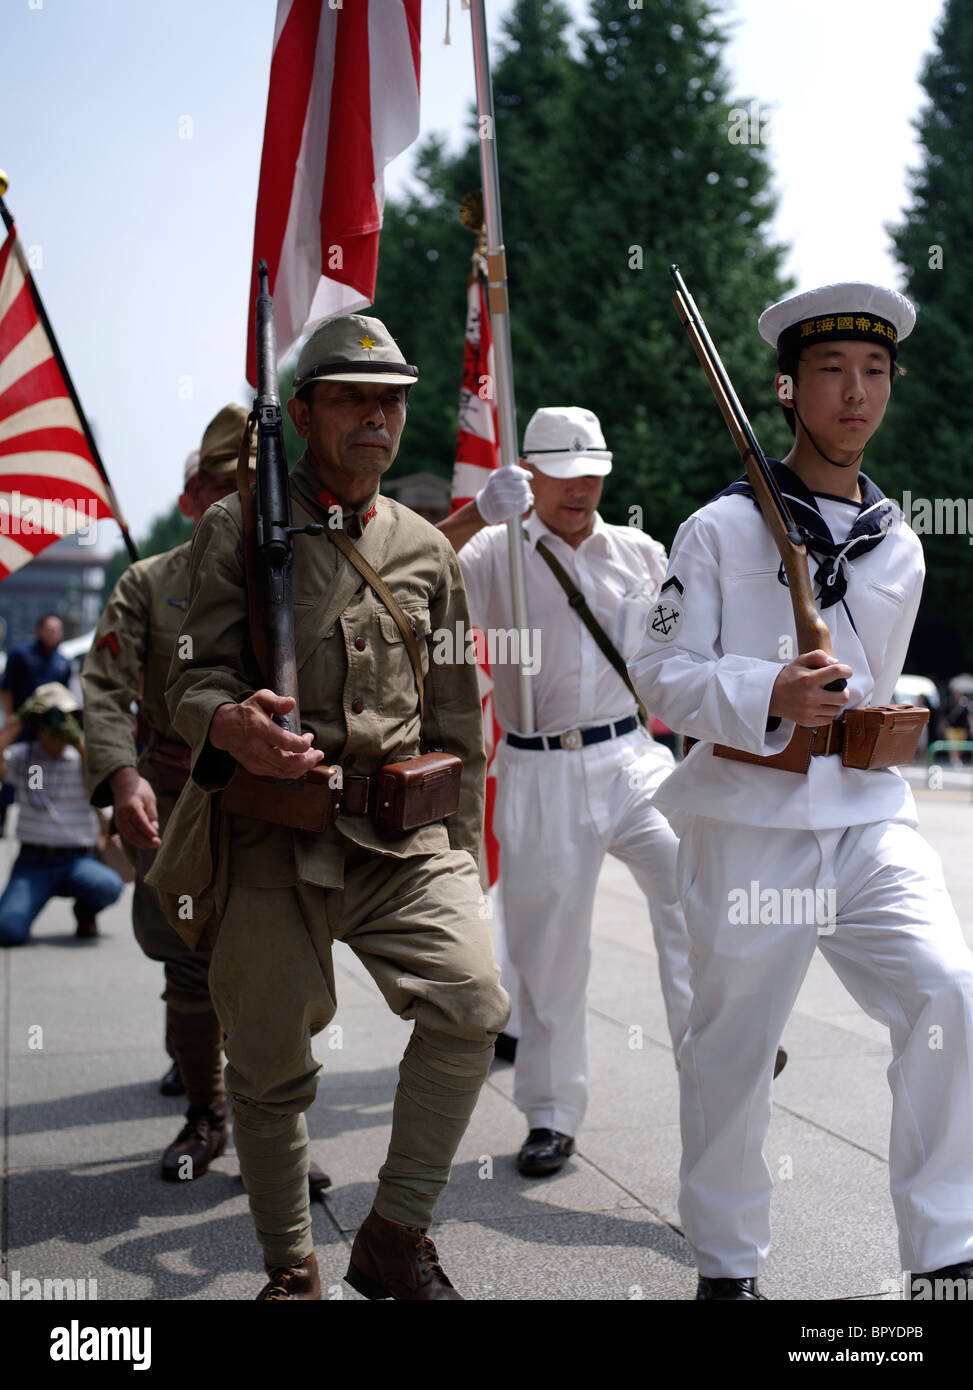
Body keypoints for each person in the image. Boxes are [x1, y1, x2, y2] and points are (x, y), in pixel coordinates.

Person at [147, 315, 508, 1300]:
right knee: (267, 1070)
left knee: (473, 1003)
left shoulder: (428, 550)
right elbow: (187, 675)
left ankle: (395, 1236)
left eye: (392, 399)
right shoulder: (231, 528)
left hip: (399, 836)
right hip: (272, 831)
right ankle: (291, 1266)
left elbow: (455, 717)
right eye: (354, 397)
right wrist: (228, 722)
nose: (379, 417)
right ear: (302, 413)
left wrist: (464, 854)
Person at [630, 283, 973, 1300]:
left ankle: (947, 1249)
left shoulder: (897, 542)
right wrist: (764, 690)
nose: (854, 393)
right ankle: (727, 1269)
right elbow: (657, 675)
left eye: (872, 374)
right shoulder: (718, 531)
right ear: (787, 390)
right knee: (731, 1051)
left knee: (947, 993)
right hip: (747, 821)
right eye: (830, 372)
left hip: (867, 819)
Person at [439, 406, 695, 1178]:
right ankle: (550, 1114)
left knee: (695, 882)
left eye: (593, 472)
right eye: (564, 472)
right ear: (531, 474)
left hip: (631, 755)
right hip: (537, 765)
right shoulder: (494, 552)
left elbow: (682, 641)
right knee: (548, 954)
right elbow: (400, 569)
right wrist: (473, 512)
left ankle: (718, 1045)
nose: (581, 486)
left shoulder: (640, 553)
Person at [82, 407, 280, 1184]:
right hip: (176, 796)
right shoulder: (147, 581)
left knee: (278, 967)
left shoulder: (288, 574)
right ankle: (207, 1114)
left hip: (273, 798)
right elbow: (102, 686)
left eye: (252, 487)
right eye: (224, 485)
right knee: (190, 967)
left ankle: (277, 1137)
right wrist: (121, 775)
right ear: (195, 493)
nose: (239, 501)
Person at [0, 683, 123, 945]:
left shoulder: (82, 757)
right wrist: (17, 722)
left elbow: (102, 775)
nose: (55, 726)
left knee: (108, 886)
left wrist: (75, 736)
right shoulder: (24, 756)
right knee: (7, 931)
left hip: (76, 861)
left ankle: (85, 912)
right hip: (33, 861)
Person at [0, 614, 71, 837]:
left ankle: (36, 811)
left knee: (39, 770)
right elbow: (8, 688)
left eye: (56, 630)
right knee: (9, 767)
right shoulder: (21, 655)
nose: (52, 634)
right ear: (39, 630)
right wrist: (11, 718)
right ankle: (2, 816)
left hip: (48, 731)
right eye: (49, 629)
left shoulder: (63, 661)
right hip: (22, 724)